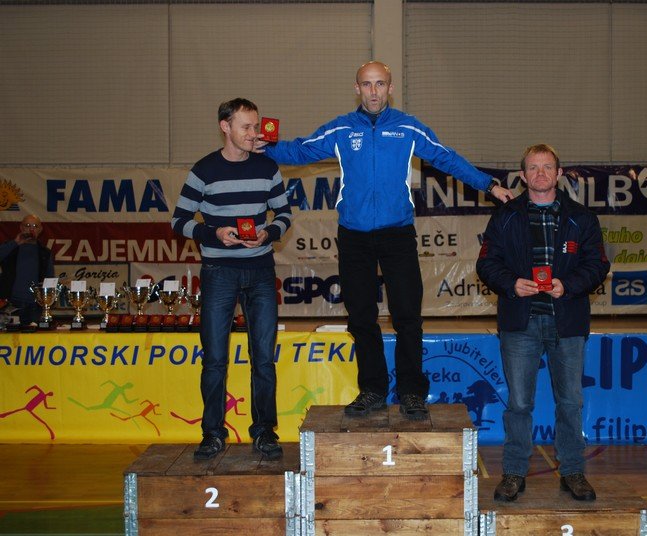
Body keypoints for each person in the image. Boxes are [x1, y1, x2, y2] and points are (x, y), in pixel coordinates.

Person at [259, 61, 513, 421]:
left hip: (397, 235)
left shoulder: (408, 127)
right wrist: (262, 147)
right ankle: (373, 390)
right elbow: (300, 151)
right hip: (354, 237)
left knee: (407, 316)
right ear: (357, 89)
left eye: (380, 84)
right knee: (361, 317)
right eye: (367, 84)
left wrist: (489, 185)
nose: (374, 91)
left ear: (391, 88)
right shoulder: (341, 128)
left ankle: (411, 392)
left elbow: (446, 158)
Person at [476, 144, 610, 502]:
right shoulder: (505, 216)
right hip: (520, 322)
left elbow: (598, 265)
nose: (540, 173)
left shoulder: (582, 218)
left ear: (559, 173)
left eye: (547, 167)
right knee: (519, 403)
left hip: (568, 321)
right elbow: (486, 263)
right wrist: (511, 284)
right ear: (523, 176)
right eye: (533, 167)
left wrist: (570, 285)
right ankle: (514, 472)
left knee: (570, 402)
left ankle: (573, 471)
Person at [171, 98, 292, 460]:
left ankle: (265, 431)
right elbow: (178, 221)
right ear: (225, 126)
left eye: (256, 126)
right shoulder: (204, 170)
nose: (254, 133)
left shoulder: (267, 166)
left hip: (260, 270)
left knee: (264, 358)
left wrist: (268, 233)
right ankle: (212, 433)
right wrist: (214, 233)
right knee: (214, 359)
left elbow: (284, 214)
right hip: (218, 272)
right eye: (246, 127)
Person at [0, 214, 55, 325]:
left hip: (35, 306)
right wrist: (15, 242)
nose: (31, 229)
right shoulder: (11, 247)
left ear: (40, 229)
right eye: (28, 225)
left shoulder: (45, 253)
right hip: (10, 304)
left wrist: (46, 302)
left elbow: (49, 279)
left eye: (35, 226)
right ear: (21, 227)